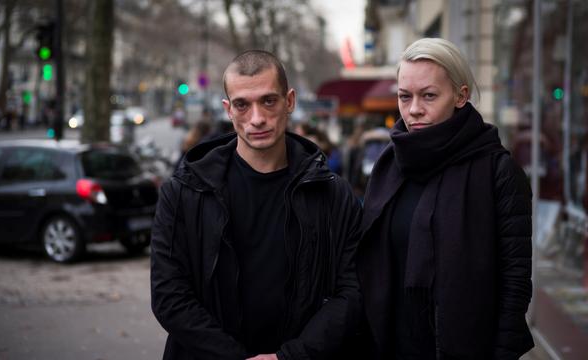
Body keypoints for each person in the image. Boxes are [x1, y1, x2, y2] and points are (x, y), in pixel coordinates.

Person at [150, 50, 363, 360]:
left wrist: (291, 356)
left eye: (268, 101)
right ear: (228, 109)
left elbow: (352, 292)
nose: (257, 118)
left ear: (289, 101)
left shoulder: (332, 194)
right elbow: (169, 296)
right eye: (242, 105)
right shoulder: (183, 193)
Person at [356, 38, 534, 359]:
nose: (414, 110)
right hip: (389, 347)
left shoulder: (497, 170)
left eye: (429, 96)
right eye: (404, 96)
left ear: (461, 96)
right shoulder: (388, 165)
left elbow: (515, 282)